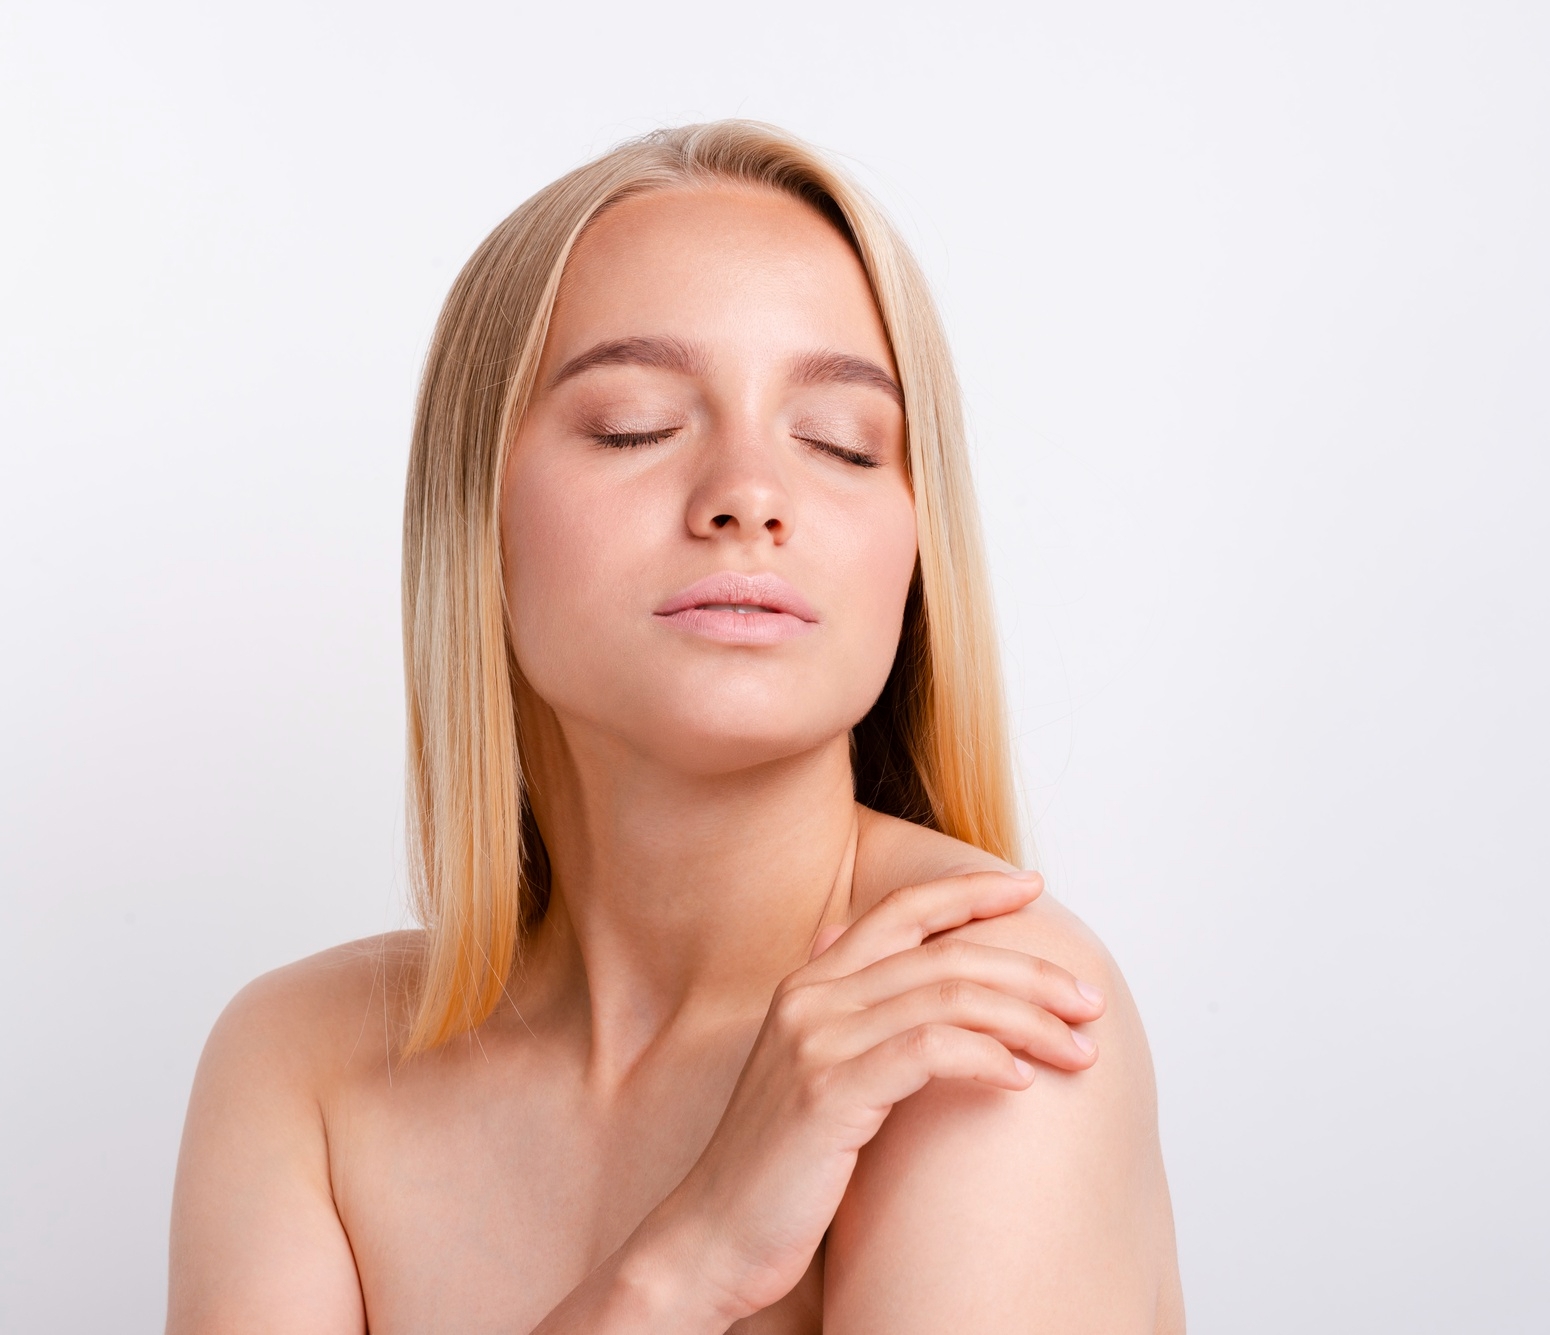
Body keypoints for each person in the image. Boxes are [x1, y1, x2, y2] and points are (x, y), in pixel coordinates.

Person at [165, 121, 1183, 1334]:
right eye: (635, 425)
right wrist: (687, 1261)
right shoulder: (300, 1066)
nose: (752, 494)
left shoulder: (977, 1010)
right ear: (474, 516)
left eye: (840, 443)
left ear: (915, 549)